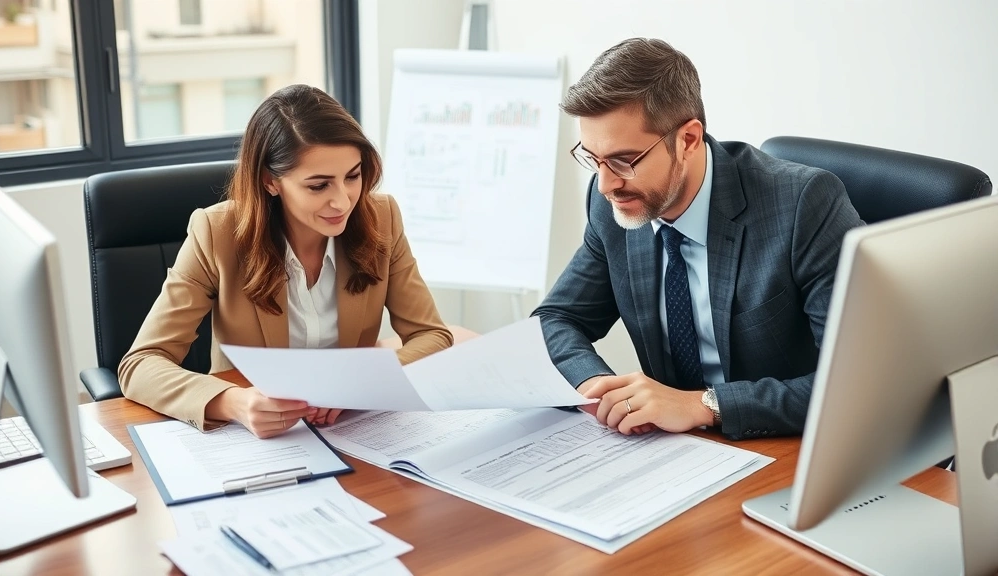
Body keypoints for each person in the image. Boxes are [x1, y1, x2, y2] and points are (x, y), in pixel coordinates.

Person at [532, 38, 863, 441]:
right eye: (593, 158)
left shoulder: (802, 204)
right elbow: (555, 320)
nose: (606, 184)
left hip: (789, 448)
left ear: (688, 139)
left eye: (624, 160)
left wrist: (702, 405)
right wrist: (600, 388)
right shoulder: (612, 205)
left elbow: (857, 379)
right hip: (677, 452)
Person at [119, 84, 453, 438]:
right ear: (270, 181)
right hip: (261, 437)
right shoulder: (216, 233)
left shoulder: (381, 217)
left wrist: (360, 385)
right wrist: (233, 403)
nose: (343, 202)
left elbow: (431, 335)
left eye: (352, 176)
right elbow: (140, 364)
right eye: (318, 186)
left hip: (349, 430)